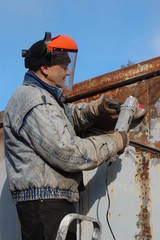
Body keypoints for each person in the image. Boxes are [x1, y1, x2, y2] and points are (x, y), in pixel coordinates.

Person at [3, 32, 128, 240]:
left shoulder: (44, 99)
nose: (68, 72)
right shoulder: (33, 100)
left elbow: (65, 118)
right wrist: (113, 141)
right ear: (45, 67)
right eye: (63, 67)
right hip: (45, 207)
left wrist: (96, 109)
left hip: (50, 204)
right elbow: (67, 152)